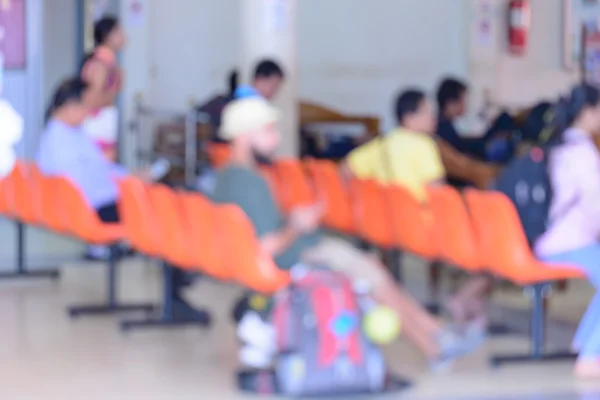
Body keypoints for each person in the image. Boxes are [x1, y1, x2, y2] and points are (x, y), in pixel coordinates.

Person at [212, 97, 482, 370]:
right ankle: (435, 346)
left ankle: (436, 332)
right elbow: (266, 246)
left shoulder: (228, 176)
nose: (277, 137)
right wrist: (297, 224)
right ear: (244, 135)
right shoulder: (251, 183)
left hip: (299, 250)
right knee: (373, 280)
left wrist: (294, 220)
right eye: (269, 130)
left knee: (373, 269)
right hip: (297, 257)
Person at [345, 89, 492, 333]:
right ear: (410, 118)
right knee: (491, 240)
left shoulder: (384, 143)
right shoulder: (424, 145)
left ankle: (470, 305)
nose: (433, 117)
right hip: (427, 228)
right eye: (427, 112)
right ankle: (465, 299)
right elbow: (439, 194)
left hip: (392, 225)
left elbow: (346, 171)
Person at [534, 84, 600, 379]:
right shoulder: (583, 153)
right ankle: (591, 357)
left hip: (550, 240)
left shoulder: (561, 145)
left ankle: (586, 343)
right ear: (588, 112)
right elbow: (595, 208)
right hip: (569, 244)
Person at [80, 15, 126, 162]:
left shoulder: (109, 62)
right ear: (107, 36)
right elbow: (92, 98)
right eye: (118, 32)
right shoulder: (101, 63)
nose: (123, 36)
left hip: (103, 120)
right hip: (97, 122)